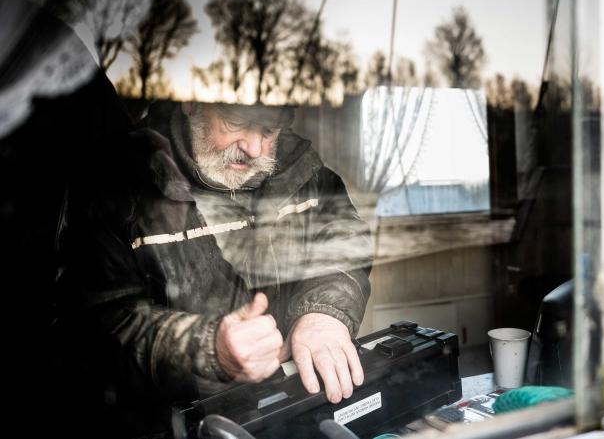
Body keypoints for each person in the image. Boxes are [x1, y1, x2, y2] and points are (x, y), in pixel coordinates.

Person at [57, 98, 373, 438]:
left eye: (268, 129)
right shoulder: (117, 181)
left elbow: (344, 237)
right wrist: (207, 350)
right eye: (237, 123)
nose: (255, 148)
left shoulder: (298, 165)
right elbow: (97, 324)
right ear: (192, 103)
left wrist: (323, 312)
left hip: (288, 412)